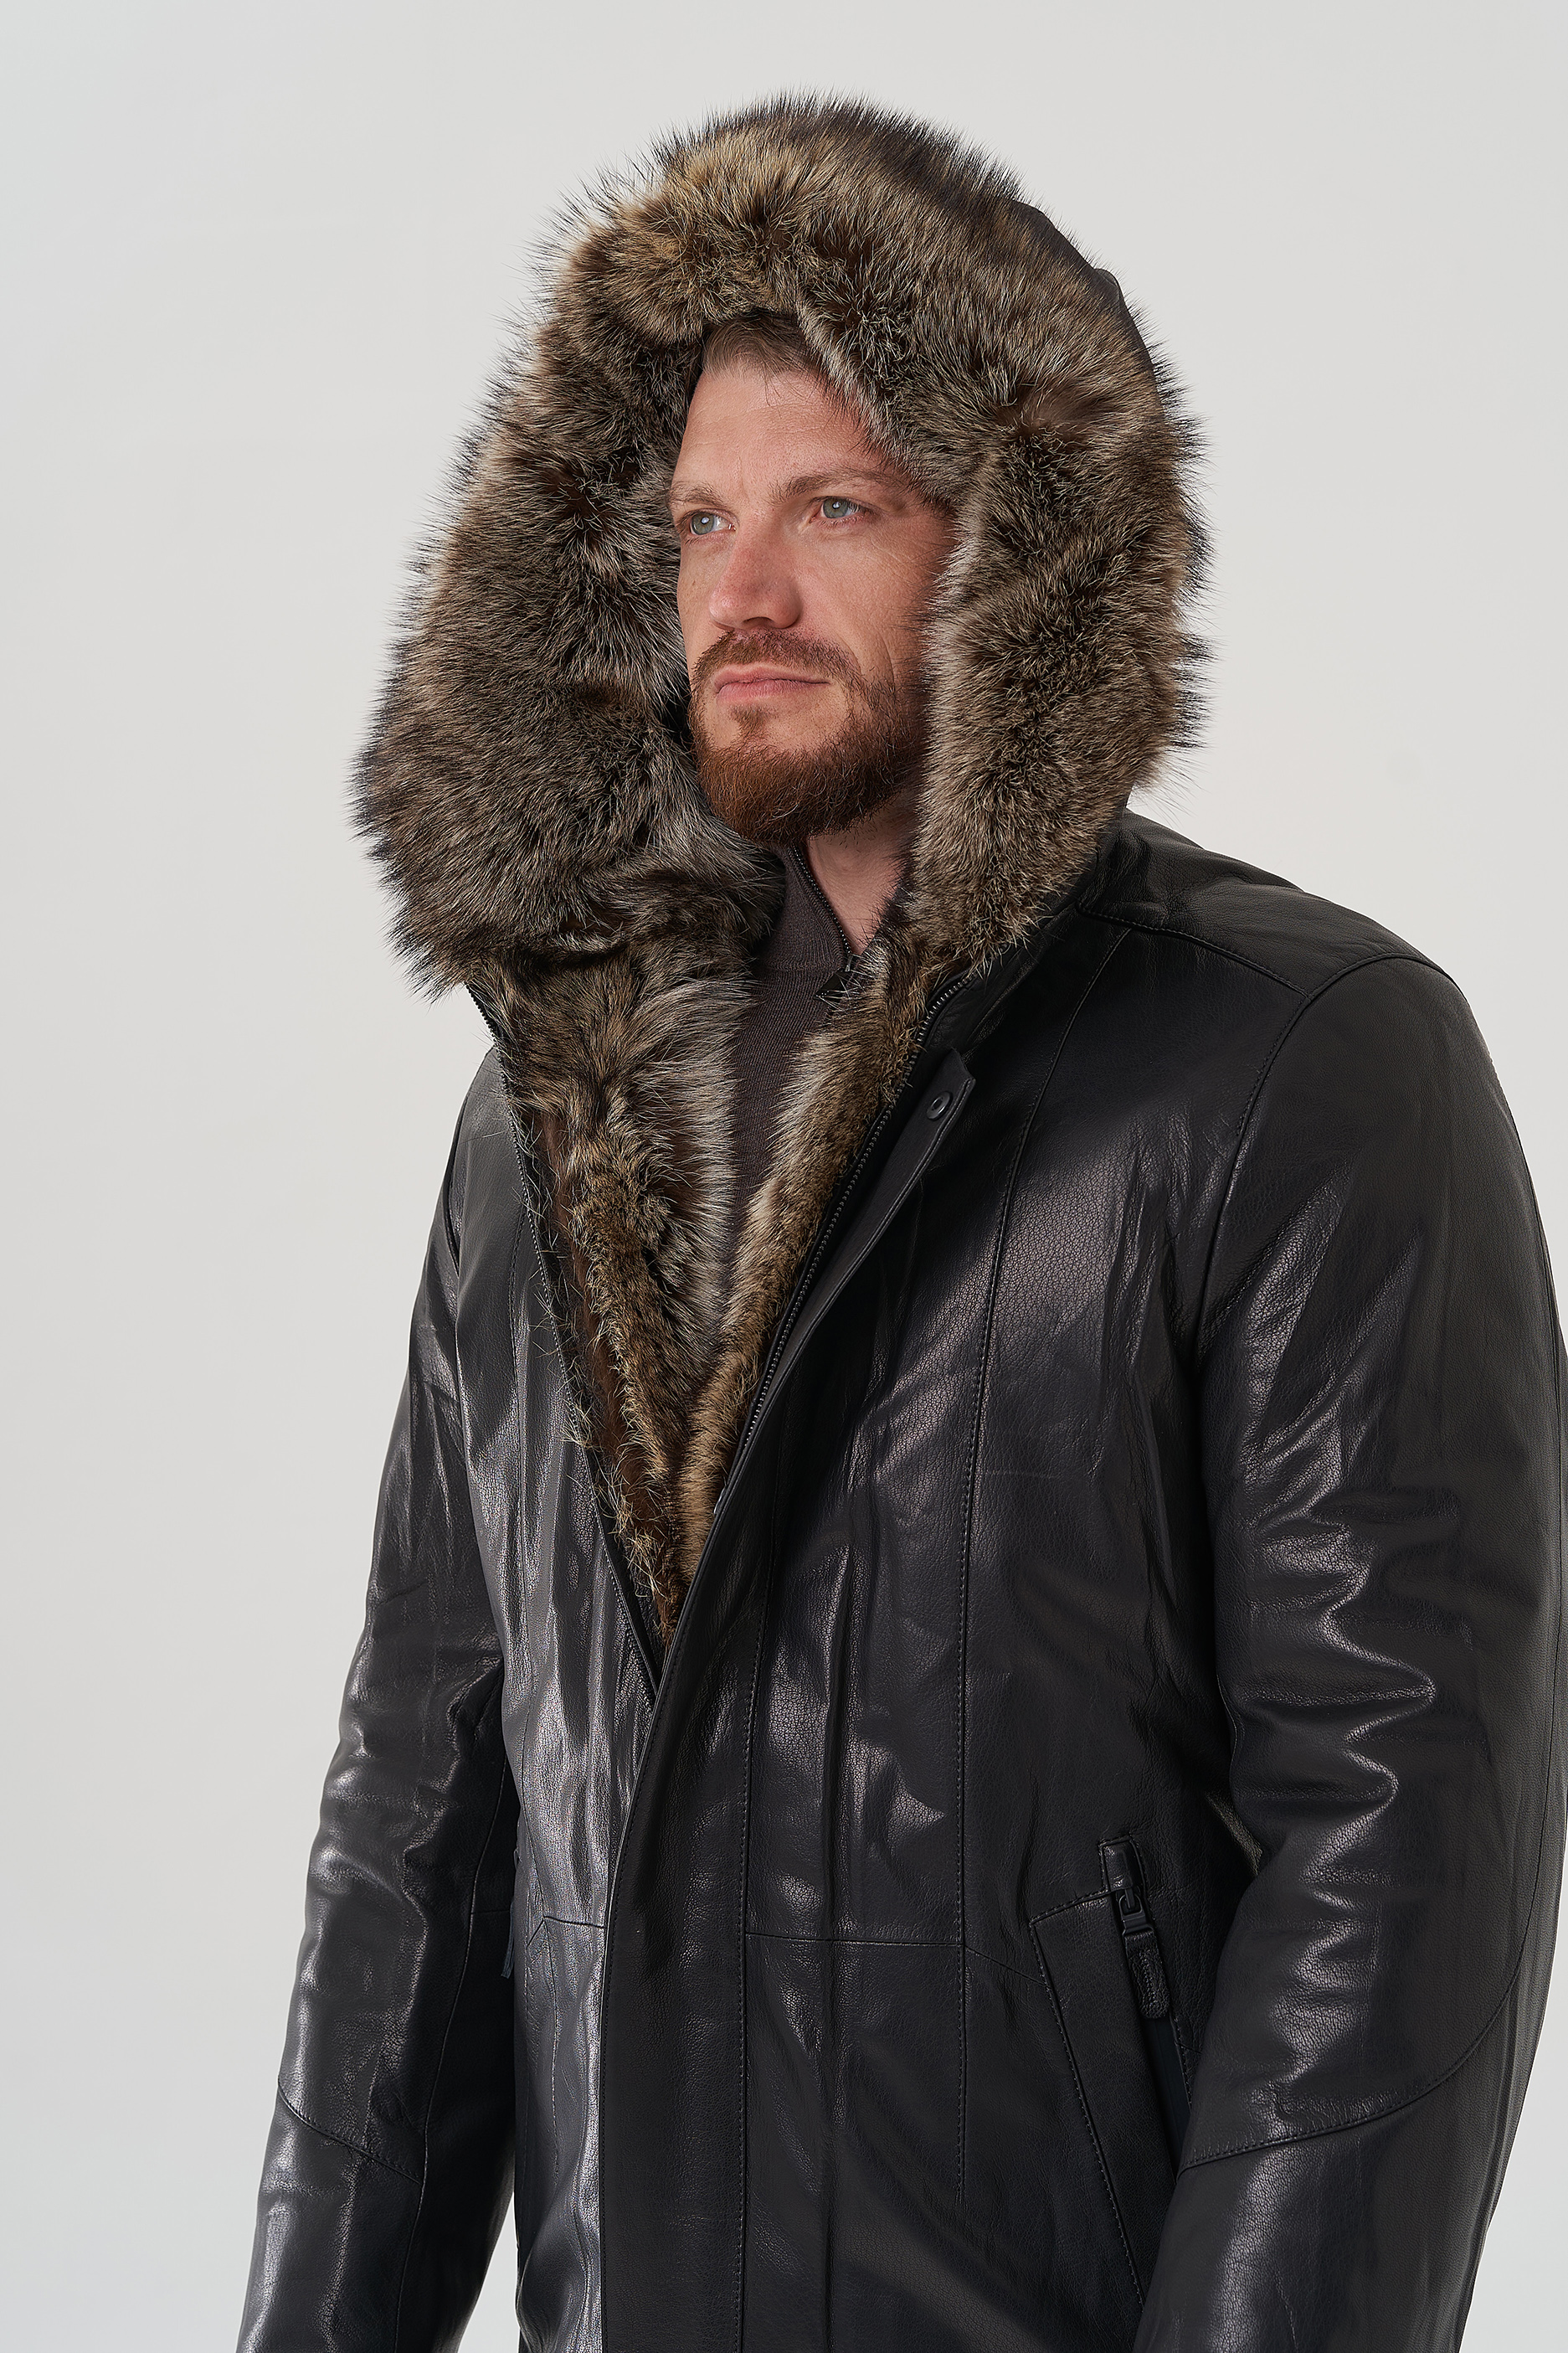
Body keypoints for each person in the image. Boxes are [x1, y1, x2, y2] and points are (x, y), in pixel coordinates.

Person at [239, 97, 1565, 2353]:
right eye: (698, 520)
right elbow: (418, 1819)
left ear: (1017, 551)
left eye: (833, 508)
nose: (742, 594)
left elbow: (1402, 1842)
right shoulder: (556, 1114)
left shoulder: (1299, 1066)